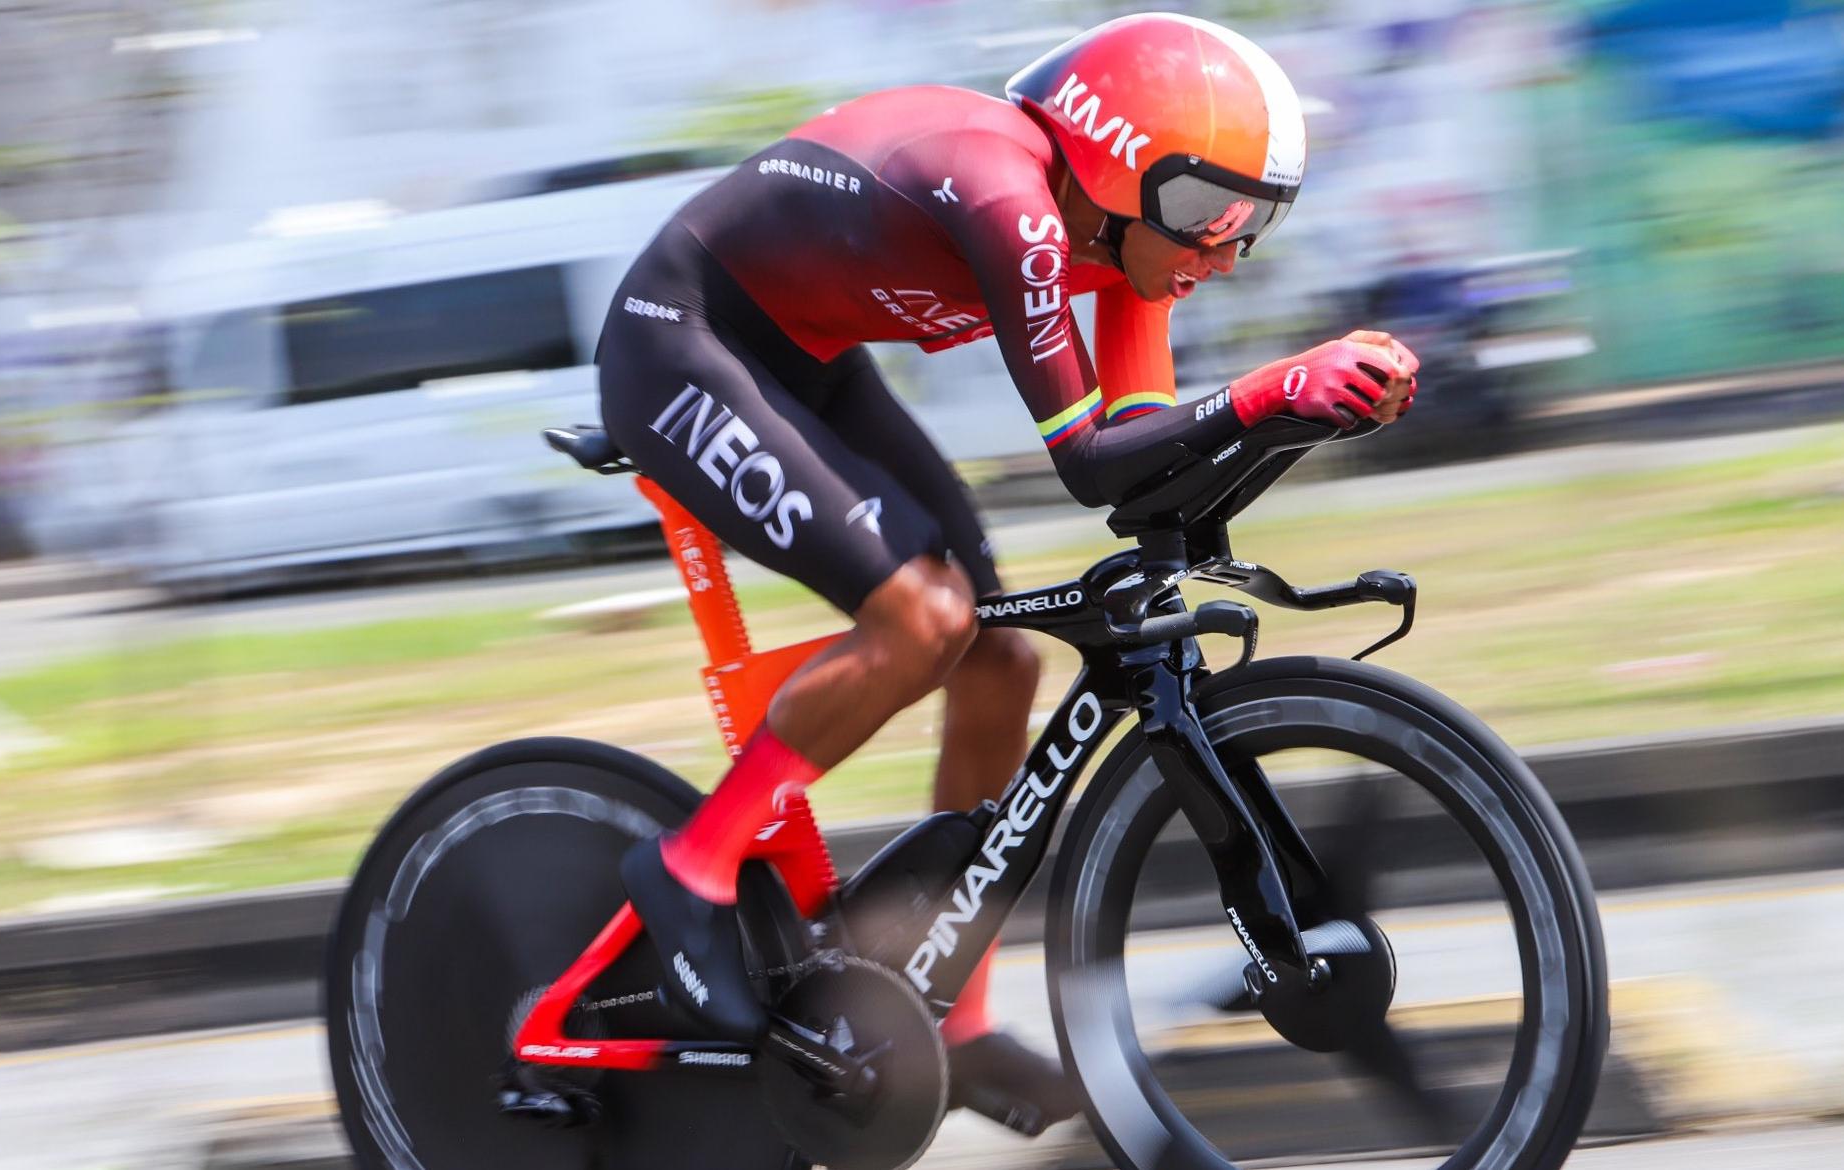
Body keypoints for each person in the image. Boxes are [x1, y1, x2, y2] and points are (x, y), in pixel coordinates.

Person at [602, 11, 1418, 1134]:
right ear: (1116, 162)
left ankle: (954, 1021)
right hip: (679, 339)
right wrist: (1272, 391)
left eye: (1250, 224)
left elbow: (1147, 468)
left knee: (999, 662)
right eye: (1204, 214)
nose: (1220, 252)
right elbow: (1089, 462)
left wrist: (1302, 419)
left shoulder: (1132, 253)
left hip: (805, 361)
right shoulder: (1011, 204)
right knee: (924, 621)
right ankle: (689, 866)